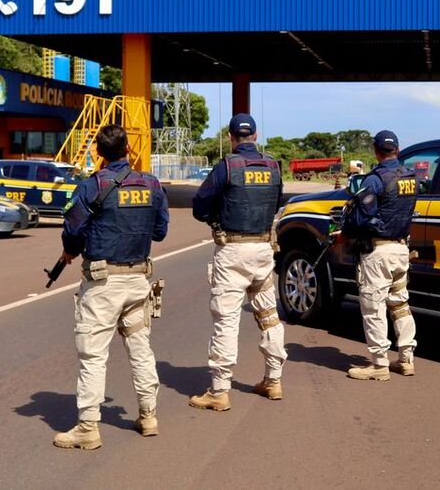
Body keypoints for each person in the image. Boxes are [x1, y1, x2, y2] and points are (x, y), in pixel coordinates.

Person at [54, 124, 169, 450]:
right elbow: (160, 231)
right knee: (140, 348)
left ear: (98, 153)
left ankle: (88, 427)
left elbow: (73, 229)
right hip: (137, 281)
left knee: (93, 356)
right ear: (129, 149)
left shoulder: (92, 186)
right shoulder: (151, 184)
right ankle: (149, 416)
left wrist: (70, 250)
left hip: (103, 284)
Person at [189, 113, 286, 411]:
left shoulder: (227, 166)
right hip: (263, 249)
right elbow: (277, 201)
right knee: (269, 314)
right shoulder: (273, 167)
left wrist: (216, 214)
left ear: (231, 138)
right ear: (255, 136)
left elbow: (199, 205)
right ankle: (273, 379)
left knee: (226, 319)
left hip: (232, 250)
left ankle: (219, 390)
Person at [343, 130, 418, 381]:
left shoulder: (376, 179)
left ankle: (379, 364)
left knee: (373, 306)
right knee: (400, 304)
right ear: (396, 149)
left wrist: (346, 228)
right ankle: (406, 359)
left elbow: (360, 216)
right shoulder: (410, 177)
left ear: (376, 151)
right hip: (401, 249)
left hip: (379, 252)